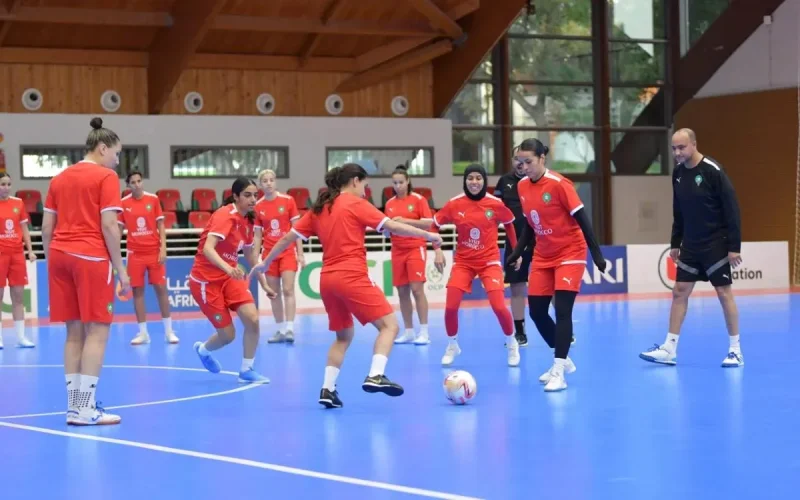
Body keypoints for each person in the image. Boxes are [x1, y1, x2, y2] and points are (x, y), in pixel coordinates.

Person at [249, 164, 442, 409]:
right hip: (352, 275)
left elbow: (288, 237)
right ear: (354, 181)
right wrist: (429, 236)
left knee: (343, 336)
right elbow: (392, 227)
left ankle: (328, 390)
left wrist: (265, 262)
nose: (365, 190)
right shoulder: (356, 203)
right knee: (390, 326)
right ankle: (376, 374)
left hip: (327, 281)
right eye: (365, 185)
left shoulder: (320, 208)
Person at [42, 117, 131, 425]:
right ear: (102, 148)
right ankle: (85, 408)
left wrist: (54, 260)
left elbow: (46, 228)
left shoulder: (58, 178)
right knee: (97, 331)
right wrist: (121, 270)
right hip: (90, 257)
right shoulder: (106, 177)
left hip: (58, 256)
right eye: (116, 154)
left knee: (73, 333)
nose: (117, 161)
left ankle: (75, 406)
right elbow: (109, 225)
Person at [505, 138, 605, 392]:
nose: (524, 166)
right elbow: (530, 226)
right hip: (543, 254)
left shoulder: (560, 185)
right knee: (537, 312)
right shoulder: (522, 186)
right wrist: (517, 252)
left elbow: (583, 220)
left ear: (542, 158)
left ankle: (558, 369)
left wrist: (596, 254)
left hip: (570, 252)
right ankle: (564, 359)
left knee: (562, 310)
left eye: (529, 161)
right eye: (520, 162)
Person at [397, 164, 521, 367]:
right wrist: (437, 249)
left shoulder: (495, 203)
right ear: (465, 180)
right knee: (451, 306)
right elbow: (435, 225)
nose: (474, 182)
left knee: (499, 306)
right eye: (470, 178)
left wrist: (516, 252)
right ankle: (452, 344)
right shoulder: (455, 204)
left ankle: (511, 342)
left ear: (484, 181)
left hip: (489, 261)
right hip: (463, 262)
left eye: (478, 178)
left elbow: (509, 224)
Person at [639, 128, 744, 367]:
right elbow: (679, 210)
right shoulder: (677, 173)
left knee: (723, 292)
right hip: (691, 245)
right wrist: (675, 242)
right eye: (673, 148)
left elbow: (732, 209)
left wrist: (734, 246)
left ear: (694, 144)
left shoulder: (713, 171)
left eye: (681, 147)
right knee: (679, 291)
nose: (677, 153)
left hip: (716, 243)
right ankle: (669, 349)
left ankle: (736, 351)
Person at [191, 177, 276, 384]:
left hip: (231, 277)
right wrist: (229, 268)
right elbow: (207, 249)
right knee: (228, 335)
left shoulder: (249, 220)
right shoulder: (225, 215)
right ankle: (203, 350)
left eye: (255, 195)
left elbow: (250, 256)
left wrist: (264, 283)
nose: (253, 199)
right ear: (236, 196)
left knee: (253, 320)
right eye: (247, 195)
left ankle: (247, 369)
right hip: (206, 280)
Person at [384, 166, 442, 345]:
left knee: (417, 290)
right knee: (402, 292)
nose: (398, 186)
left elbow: (428, 223)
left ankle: (424, 332)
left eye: (401, 182)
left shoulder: (418, 200)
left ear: (408, 181)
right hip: (397, 250)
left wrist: (404, 221)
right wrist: (386, 229)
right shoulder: (389, 204)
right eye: (395, 183)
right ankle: (409, 331)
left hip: (415, 248)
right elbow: (387, 229)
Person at [119, 171, 179, 345]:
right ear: (128, 185)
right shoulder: (123, 203)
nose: (137, 185)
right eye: (133, 182)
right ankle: (143, 333)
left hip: (154, 252)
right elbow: (119, 229)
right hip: (134, 254)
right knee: (137, 292)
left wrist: (163, 248)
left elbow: (161, 225)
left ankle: (169, 332)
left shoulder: (153, 199)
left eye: (139, 181)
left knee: (161, 289)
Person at [252, 168, 305, 344]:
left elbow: (297, 229)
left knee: (288, 289)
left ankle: (289, 328)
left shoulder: (288, 201)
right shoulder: (258, 206)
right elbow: (257, 236)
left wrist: (300, 254)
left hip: (288, 252)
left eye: (271, 180)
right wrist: (256, 258)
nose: (268, 183)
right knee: (273, 294)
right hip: (269, 255)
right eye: (265, 181)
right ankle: (280, 329)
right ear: (260, 185)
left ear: (275, 182)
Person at [494, 151, 532, 346]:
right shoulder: (504, 182)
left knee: (550, 286)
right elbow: (494, 209)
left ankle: (562, 328)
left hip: (540, 239)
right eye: (516, 159)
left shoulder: (537, 180)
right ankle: (520, 332)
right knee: (517, 286)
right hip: (514, 241)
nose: (520, 163)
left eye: (524, 160)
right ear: (511, 161)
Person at [0, 173, 36, 349]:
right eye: (2, 184)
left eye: (8, 184)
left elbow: (24, 229)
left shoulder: (18, 203)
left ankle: (21, 337)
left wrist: (30, 251)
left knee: (18, 297)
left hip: (17, 255)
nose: (6, 187)